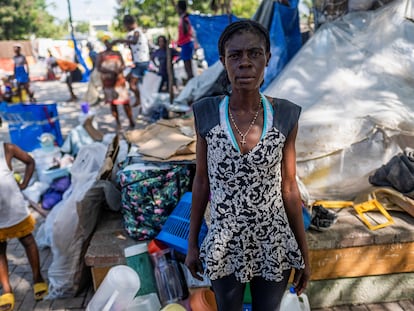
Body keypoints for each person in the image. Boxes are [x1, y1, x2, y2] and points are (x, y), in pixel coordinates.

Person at [185, 20, 310, 311]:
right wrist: (193, 244)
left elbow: (289, 187)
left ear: (267, 58)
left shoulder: (285, 114)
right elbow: (201, 181)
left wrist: (304, 253)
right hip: (224, 240)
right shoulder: (206, 113)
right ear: (223, 61)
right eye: (235, 55)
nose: (245, 63)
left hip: (274, 240)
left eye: (254, 54)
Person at [0, 142, 48, 311]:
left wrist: (25, 183)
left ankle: (37, 278)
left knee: (27, 240)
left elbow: (30, 161)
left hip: (14, 209)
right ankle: (6, 289)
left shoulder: (7, 149)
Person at [96, 35, 135, 130]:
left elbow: (123, 64)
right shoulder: (101, 55)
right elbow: (98, 67)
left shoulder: (117, 53)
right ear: (104, 43)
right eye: (107, 42)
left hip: (119, 81)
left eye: (110, 42)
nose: (109, 44)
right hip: (108, 82)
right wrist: (110, 72)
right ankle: (118, 122)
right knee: (113, 103)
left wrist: (119, 70)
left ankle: (131, 120)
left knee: (125, 102)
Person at [113, 15, 150, 107]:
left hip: (142, 61)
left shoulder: (137, 32)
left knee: (132, 84)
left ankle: (140, 100)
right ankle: (140, 99)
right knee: (129, 80)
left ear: (128, 24)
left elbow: (134, 41)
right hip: (139, 62)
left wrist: (119, 40)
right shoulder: (133, 33)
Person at [176, 0, 195, 82]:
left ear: (179, 8)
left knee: (187, 65)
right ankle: (190, 80)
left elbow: (186, 31)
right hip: (185, 43)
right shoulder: (184, 17)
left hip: (186, 43)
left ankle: (191, 80)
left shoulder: (184, 18)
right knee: (187, 64)